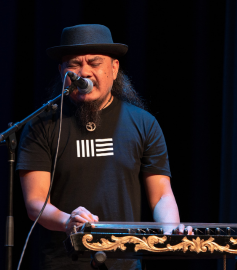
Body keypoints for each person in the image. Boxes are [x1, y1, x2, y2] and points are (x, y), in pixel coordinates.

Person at [16, 24, 186, 270]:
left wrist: (171, 230)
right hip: (63, 262)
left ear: (114, 69)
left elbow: (161, 194)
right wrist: (69, 221)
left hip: (125, 262)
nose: (83, 72)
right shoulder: (42, 124)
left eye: (94, 63)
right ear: (62, 70)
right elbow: (36, 202)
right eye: (74, 65)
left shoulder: (143, 123)